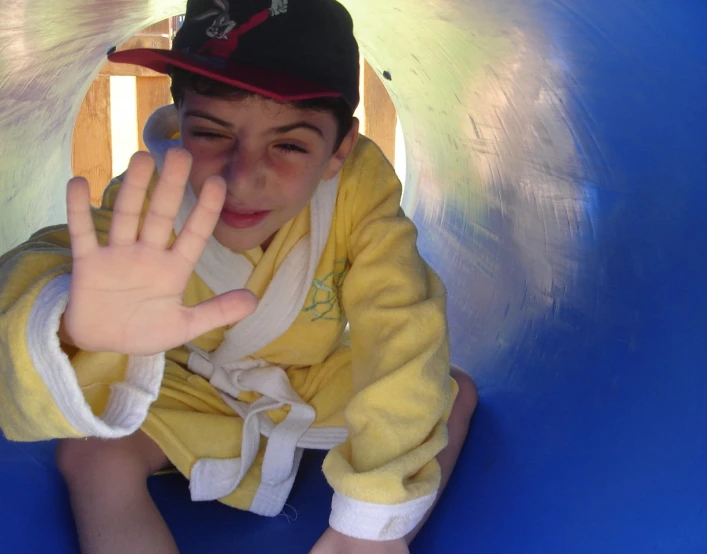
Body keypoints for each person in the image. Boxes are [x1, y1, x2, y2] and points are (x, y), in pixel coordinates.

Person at [0, 0, 478, 552]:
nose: (243, 177)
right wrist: (68, 321)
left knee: (447, 390)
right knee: (92, 455)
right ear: (179, 122)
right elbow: (41, 262)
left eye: (290, 145)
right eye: (212, 134)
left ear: (338, 150)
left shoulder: (359, 192)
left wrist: (369, 521)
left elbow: (401, 323)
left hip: (310, 377)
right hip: (186, 383)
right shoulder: (155, 193)